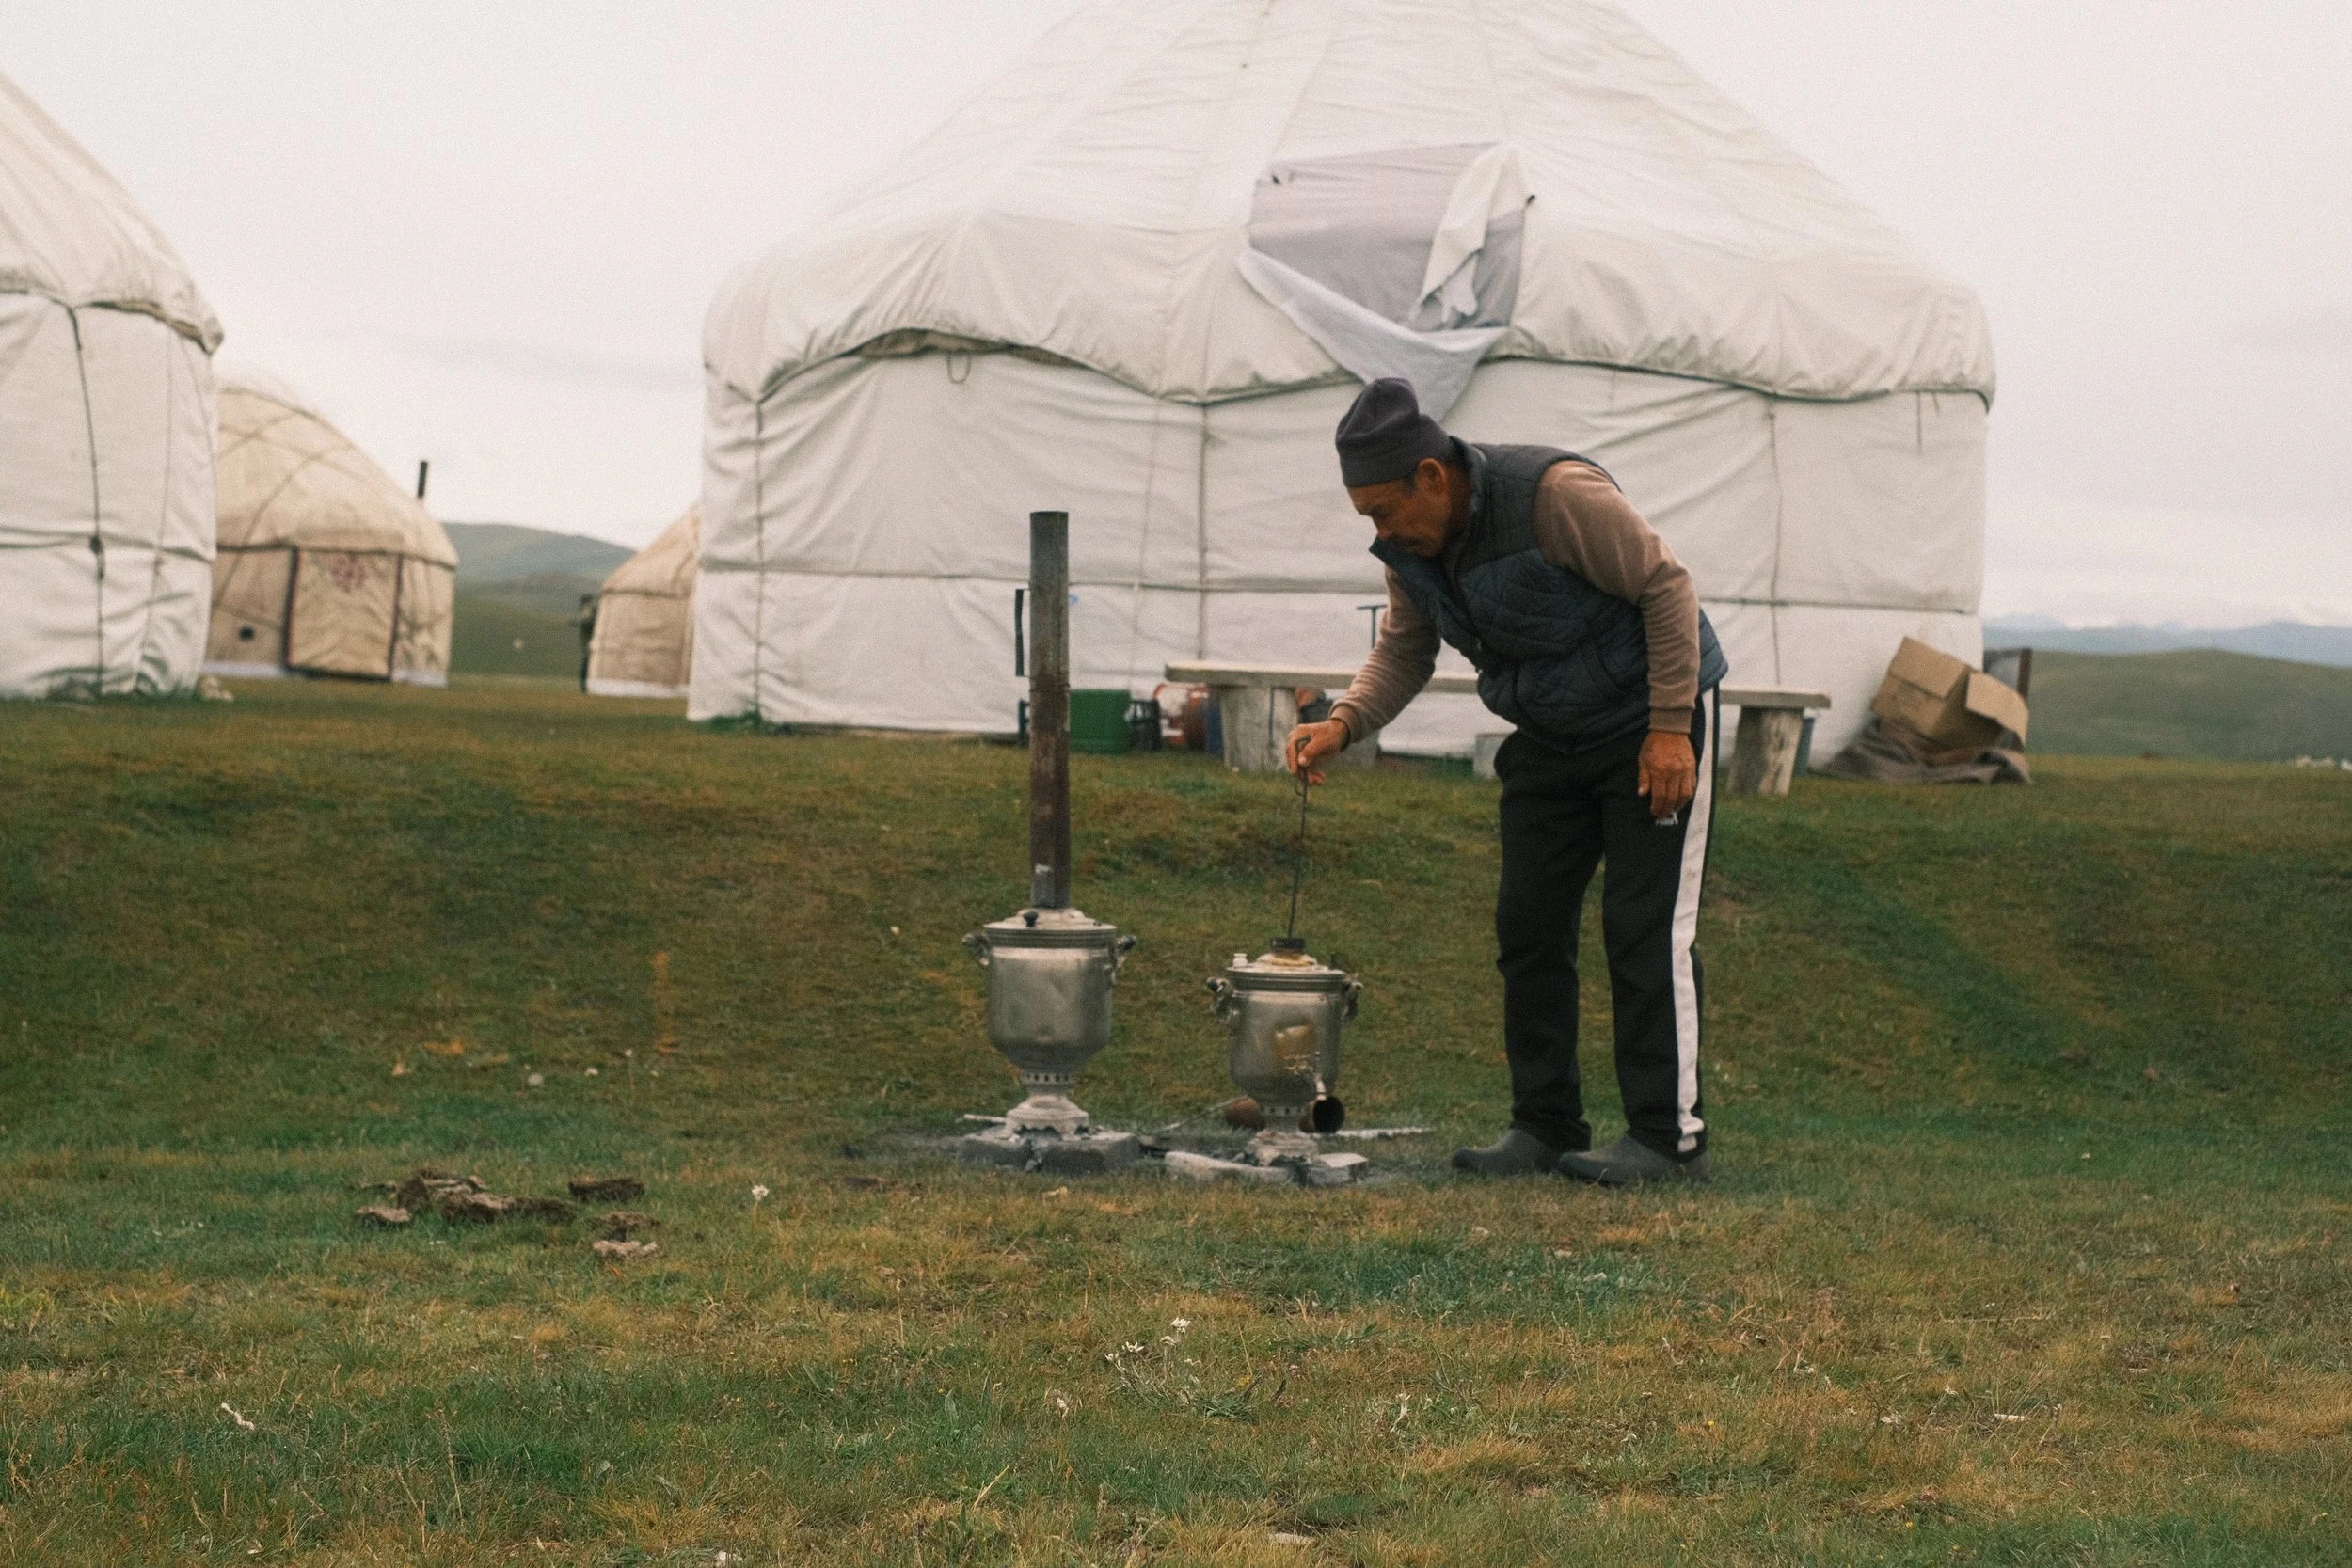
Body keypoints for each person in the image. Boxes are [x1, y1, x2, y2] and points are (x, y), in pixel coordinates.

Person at [1286, 379, 1729, 1185]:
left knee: (1645, 928)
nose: (1381, 533)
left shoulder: (1554, 497)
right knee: (1528, 923)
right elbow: (1406, 649)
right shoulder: (1412, 551)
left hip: (1647, 719)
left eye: (1385, 511)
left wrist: (1670, 728)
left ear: (1432, 474)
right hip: (1550, 733)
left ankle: (1668, 1138)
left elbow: (1667, 587)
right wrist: (1344, 722)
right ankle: (1546, 1124)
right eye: (1368, 520)